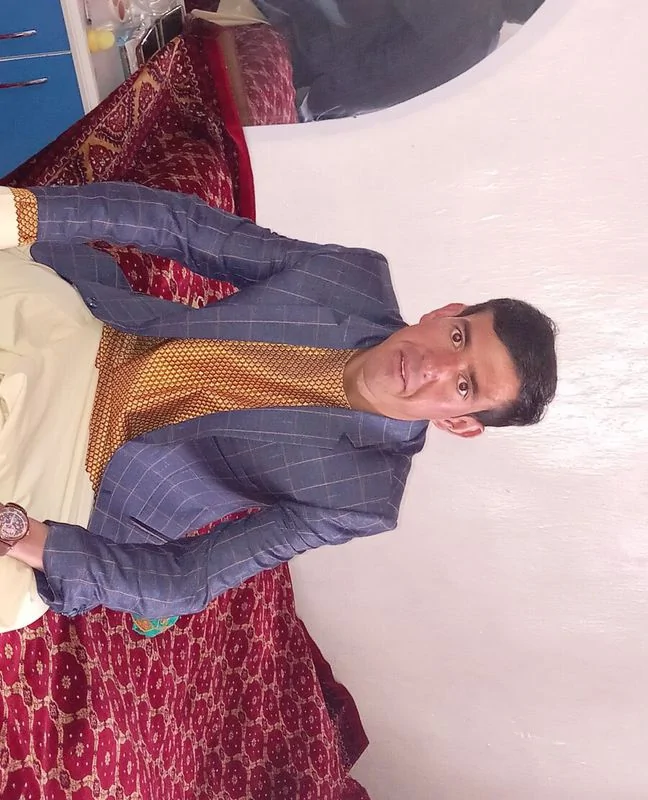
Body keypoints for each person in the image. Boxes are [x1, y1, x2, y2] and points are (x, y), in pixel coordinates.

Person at [0, 182, 557, 626]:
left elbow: (190, 579)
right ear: (445, 313)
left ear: (459, 423)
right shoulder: (352, 279)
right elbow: (182, 226)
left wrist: (27, 536)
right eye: (458, 337)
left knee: (9, 599)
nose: (435, 366)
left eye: (464, 387)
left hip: (88, 476)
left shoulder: (362, 498)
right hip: (93, 339)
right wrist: (22, 214)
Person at [252, 0, 546, 120]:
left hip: (290, 43)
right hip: (299, 43)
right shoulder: (474, 39)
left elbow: (366, 84)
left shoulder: (467, 30)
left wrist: (311, 104)